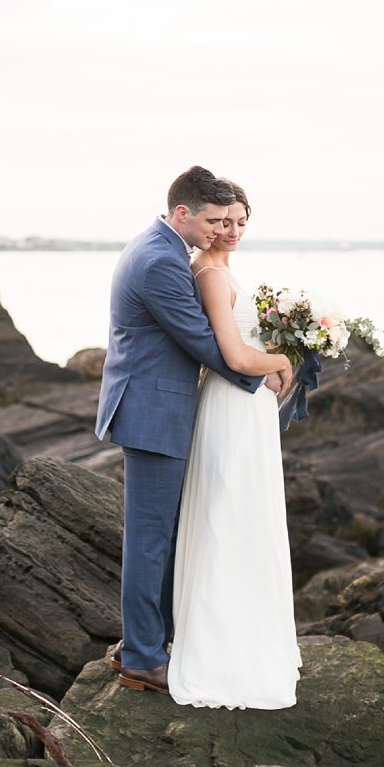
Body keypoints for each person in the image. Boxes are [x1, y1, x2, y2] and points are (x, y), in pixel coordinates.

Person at [93, 165, 286, 696]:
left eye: (231, 221)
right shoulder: (159, 261)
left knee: (165, 536)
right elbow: (202, 340)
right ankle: (140, 657)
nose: (219, 231)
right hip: (153, 413)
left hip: (159, 406)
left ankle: (151, 642)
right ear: (182, 212)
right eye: (212, 220)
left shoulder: (164, 248)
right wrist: (266, 369)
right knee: (150, 542)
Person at [165, 182, 302, 708]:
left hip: (245, 409)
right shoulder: (211, 274)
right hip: (231, 406)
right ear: (201, 219)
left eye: (241, 222)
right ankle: (224, 652)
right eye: (223, 222)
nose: (232, 231)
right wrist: (282, 360)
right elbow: (232, 354)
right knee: (232, 516)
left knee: (246, 516)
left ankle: (251, 636)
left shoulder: (219, 269)